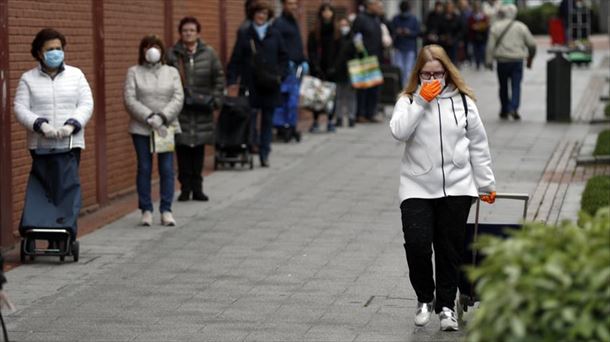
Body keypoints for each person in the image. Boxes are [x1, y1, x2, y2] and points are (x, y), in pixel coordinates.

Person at [389, 44, 496, 331]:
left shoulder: (463, 102)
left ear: (448, 73)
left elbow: (478, 145)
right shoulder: (408, 100)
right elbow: (398, 132)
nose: (433, 79)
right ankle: (425, 297)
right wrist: (422, 101)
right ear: (418, 74)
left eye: (438, 73)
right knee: (418, 244)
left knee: (450, 249)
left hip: (458, 186)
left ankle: (446, 306)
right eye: (426, 74)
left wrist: (485, 183)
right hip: (417, 186)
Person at [14, 28, 94, 245]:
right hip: (41, 143)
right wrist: (40, 124)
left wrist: (73, 124)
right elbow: (20, 108)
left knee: (65, 187)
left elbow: (86, 103)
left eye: (59, 48)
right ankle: (39, 228)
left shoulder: (76, 75)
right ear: (39, 52)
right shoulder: (28, 79)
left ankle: (62, 233)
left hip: (70, 143)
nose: (56, 53)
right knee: (43, 188)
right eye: (50, 49)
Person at [124, 34, 184, 226]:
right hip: (142, 127)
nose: (152, 50)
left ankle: (166, 209)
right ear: (142, 50)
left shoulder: (171, 72)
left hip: (165, 127)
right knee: (144, 167)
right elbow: (130, 99)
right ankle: (146, 209)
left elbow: (178, 97)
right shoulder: (134, 72)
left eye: (156, 46)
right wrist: (149, 117)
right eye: (148, 46)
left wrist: (162, 117)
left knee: (166, 169)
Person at [166, 17, 225, 202]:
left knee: (198, 149)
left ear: (198, 33)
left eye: (191, 30)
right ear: (180, 33)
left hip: (202, 108)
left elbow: (218, 78)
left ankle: (198, 188)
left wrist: (216, 100)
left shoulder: (209, 53)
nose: (188, 34)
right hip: (181, 109)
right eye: (185, 31)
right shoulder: (173, 55)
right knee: (182, 148)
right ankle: (185, 188)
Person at [227, 0, 288, 167]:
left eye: (264, 14)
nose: (261, 16)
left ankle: (265, 152)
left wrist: (280, 76)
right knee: (250, 118)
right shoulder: (245, 34)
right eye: (258, 13)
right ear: (252, 15)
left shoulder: (275, 34)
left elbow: (284, 57)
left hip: (270, 84)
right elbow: (236, 59)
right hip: (251, 84)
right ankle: (251, 147)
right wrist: (232, 80)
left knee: (268, 120)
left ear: (268, 16)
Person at [485, 3, 536, 120]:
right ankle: (514, 107)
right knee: (516, 85)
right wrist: (531, 56)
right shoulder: (521, 27)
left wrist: (488, 61)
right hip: (517, 61)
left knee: (503, 86)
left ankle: (504, 109)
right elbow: (532, 44)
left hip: (502, 61)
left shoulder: (495, 27)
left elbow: (490, 46)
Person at [272, 0, 306, 142]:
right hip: (286, 69)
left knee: (293, 100)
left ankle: (291, 125)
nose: (293, 7)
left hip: (296, 68)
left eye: (294, 4)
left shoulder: (294, 22)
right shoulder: (279, 23)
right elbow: (278, 46)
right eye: (290, 3)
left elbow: (297, 44)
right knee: (283, 100)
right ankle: (281, 127)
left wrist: (304, 60)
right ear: (284, 5)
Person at [307, 4, 338, 133]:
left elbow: (340, 51)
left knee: (331, 95)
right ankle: (315, 121)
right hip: (318, 67)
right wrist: (315, 65)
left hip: (332, 67)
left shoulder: (336, 31)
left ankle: (330, 120)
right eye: (324, 10)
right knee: (317, 94)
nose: (327, 13)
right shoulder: (315, 31)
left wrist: (335, 66)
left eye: (329, 10)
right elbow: (311, 49)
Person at [352, 0, 384, 124]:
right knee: (363, 88)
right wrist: (361, 53)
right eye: (377, 4)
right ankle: (360, 114)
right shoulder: (360, 19)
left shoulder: (376, 19)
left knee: (374, 88)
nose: (379, 6)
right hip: (364, 58)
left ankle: (371, 113)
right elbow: (355, 38)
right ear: (369, 5)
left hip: (376, 57)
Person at [329, 16, 358, 128]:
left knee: (351, 95)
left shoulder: (354, 39)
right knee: (339, 96)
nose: (343, 28)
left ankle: (351, 117)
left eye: (345, 25)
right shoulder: (336, 39)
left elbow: (359, 53)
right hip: (339, 71)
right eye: (341, 25)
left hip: (351, 70)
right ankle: (339, 117)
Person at [391, 0, 420, 85]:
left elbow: (418, 32)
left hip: (409, 48)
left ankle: (405, 88)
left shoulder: (413, 19)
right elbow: (392, 30)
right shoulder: (396, 18)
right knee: (399, 69)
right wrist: (397, 31)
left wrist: (409, 32)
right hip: (399, 47)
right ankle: (400, 87)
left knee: (407, 69)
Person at [468, 1, 489, 70]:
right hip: (474, 36)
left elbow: (486, 25)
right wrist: (474, 27)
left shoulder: (484, 16)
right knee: (475, 50)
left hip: (482, 36)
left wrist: (481, 27)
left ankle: (483, 61)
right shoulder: (471, 17)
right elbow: (469, 26)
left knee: (482, 50)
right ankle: (477, 63)